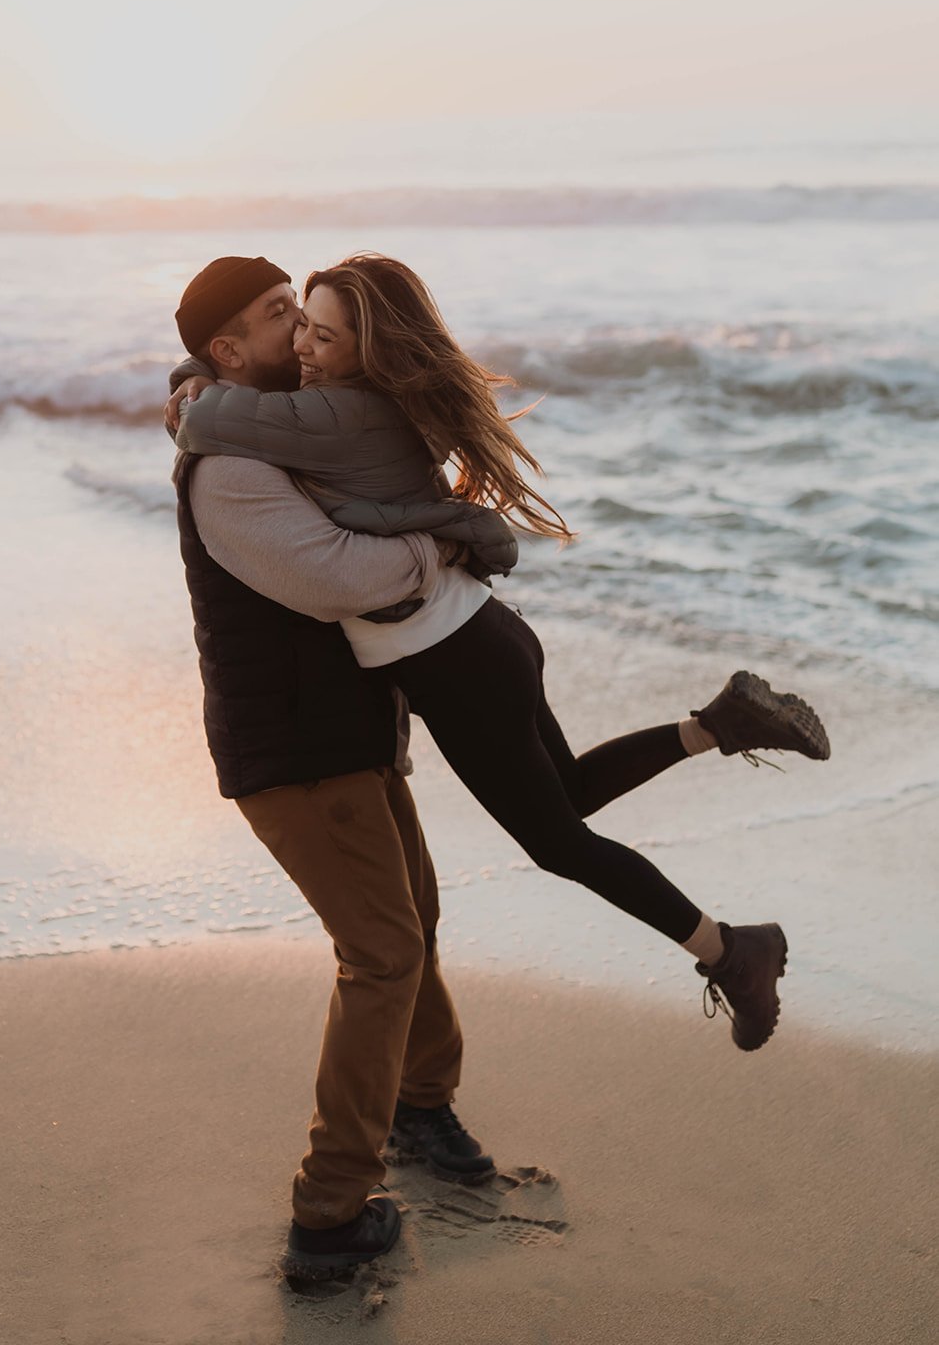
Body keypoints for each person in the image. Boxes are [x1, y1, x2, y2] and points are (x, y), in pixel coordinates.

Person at [167, 251, 831, 1082]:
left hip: (454, 662)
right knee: (568, 795)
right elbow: (233, 396)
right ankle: (719, 725)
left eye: (320, 332)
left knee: (557, 843)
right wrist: (202, 371)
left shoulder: (336, 412)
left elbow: (207, 424)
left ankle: (731, 951)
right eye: (295, 322)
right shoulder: (347, 401)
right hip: (485, 636)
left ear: (364, 346)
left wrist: (193, 386)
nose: (303, 341)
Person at [167, 255, 496, 1285]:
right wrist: (437, 552)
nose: (303, 338)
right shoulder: (229, 467)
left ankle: (420, 1108)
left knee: (415, 913)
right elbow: (333, 580)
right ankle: (327, 1215)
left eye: (308, 320)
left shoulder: (295, 430)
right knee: (383, 950)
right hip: (293, 750)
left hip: (349, 731)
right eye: (280, 321)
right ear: (227, 352)